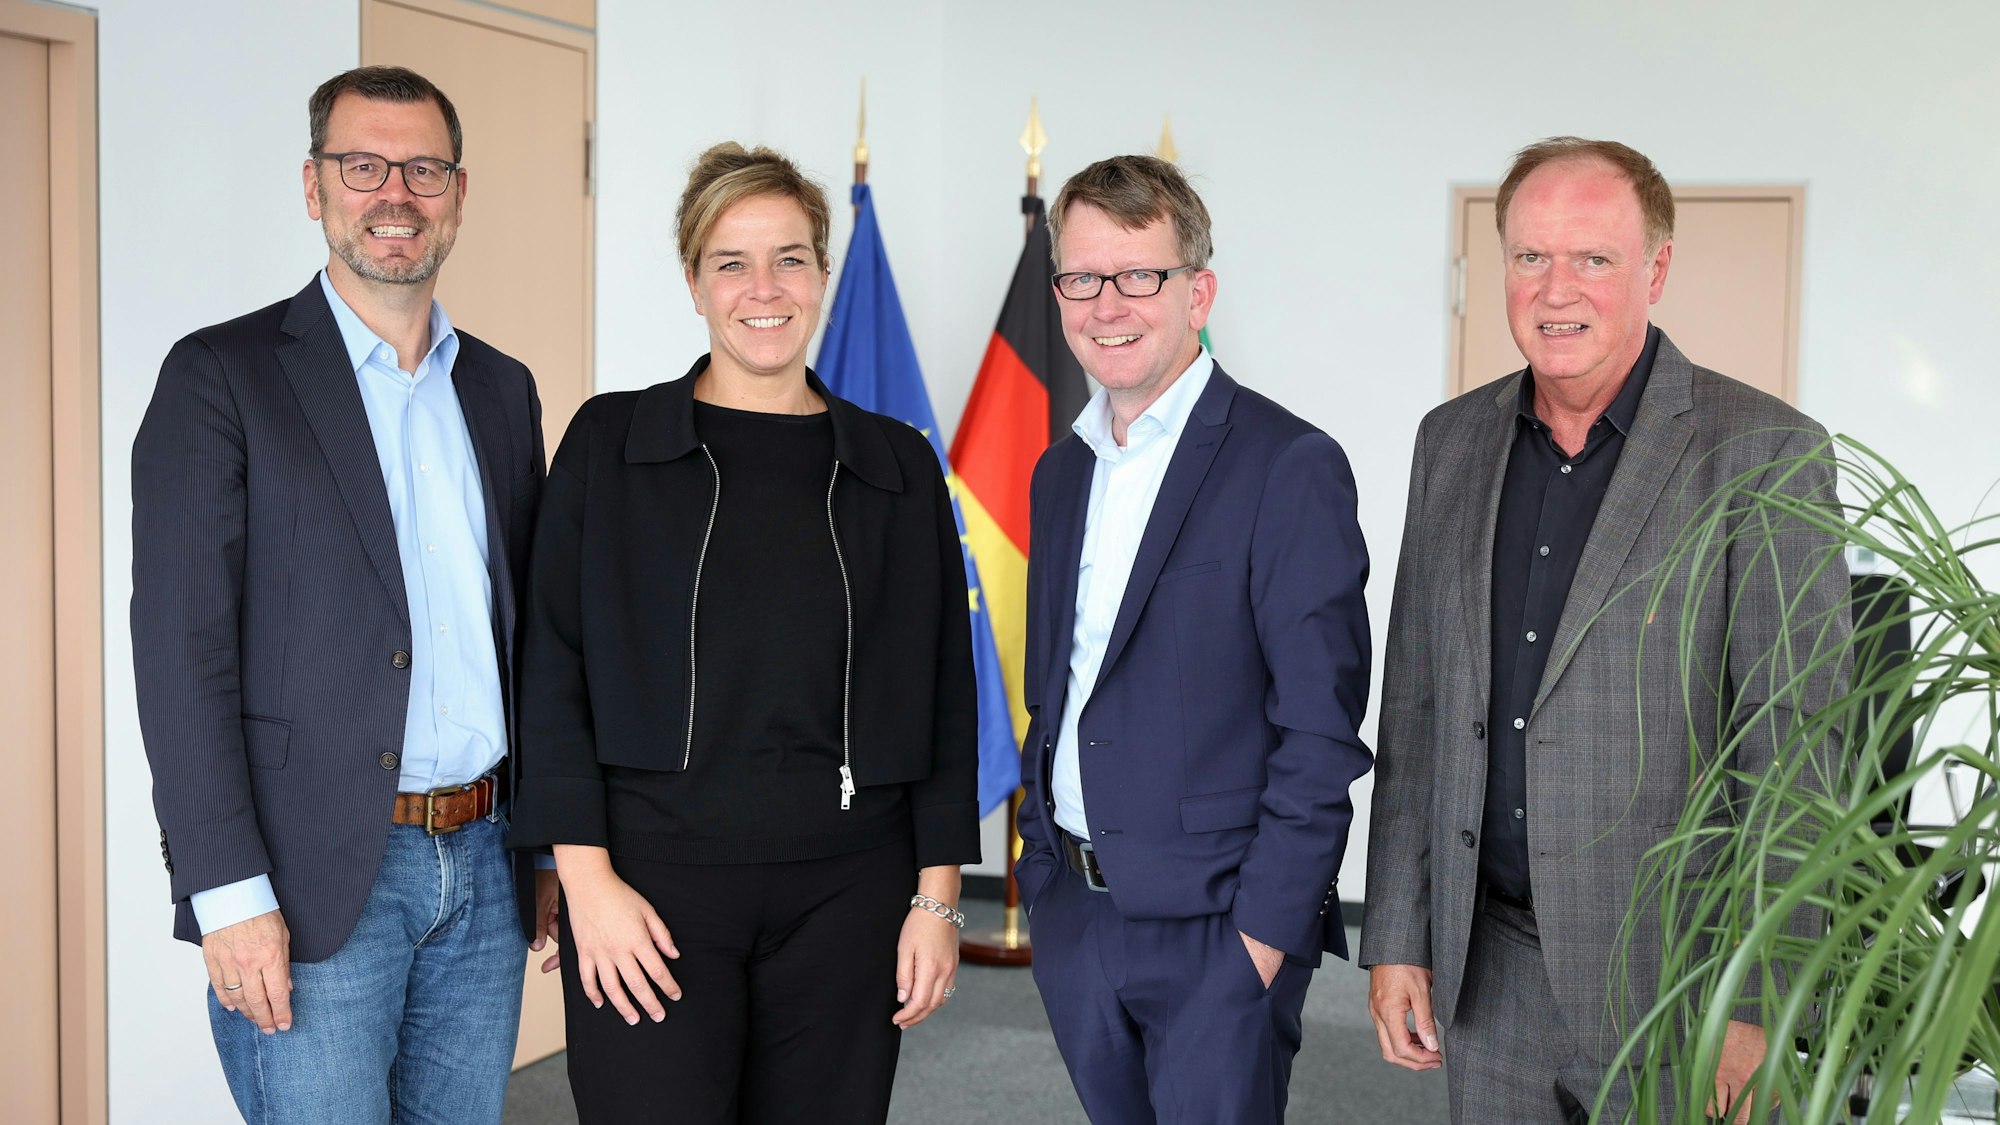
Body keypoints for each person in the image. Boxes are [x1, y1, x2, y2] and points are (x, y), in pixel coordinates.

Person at [1361, 137, 1848, 1123]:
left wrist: (1755, 998)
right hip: (1485, 968)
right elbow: (1415, 707)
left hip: (1674, 982)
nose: (1555, 288)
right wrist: (1396, 936)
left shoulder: (1760, 452)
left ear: (1654, 271)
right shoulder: (1447, 442)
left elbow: (1797, 749)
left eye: (1593, 258)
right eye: (1530, 256)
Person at [507, 142, 979, 1124]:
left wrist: (936, 898)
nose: (763, 289)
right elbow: (551, 669)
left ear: (821, 275)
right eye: (731, 262)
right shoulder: (612, 445)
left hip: (850, 893)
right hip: (650, 890)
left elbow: (942, 688)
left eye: (790, 259)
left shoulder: (893, 465)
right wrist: (582, 877)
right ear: (692, 282)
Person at [132, 66, 554, 1122]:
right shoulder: (220, 376)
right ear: (313, 187)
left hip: (487, 866)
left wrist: (544, 840)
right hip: (310, 880)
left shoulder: (501, 391)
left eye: (422, 168)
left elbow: (531, 642)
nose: (393, 193)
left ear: (457, 192)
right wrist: (227, 895)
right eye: (362, 165)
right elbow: (180, 653)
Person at [1013, 154, 1373, 1123]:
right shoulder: (1060, 472)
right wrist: (1041, 875)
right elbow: (1059, 689)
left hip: (1219, 929)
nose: (1108, 303)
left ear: (1196, 290)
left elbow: (1319, 724)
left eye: (1140, 274)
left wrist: (1261, 934)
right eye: (1082, 277)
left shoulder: (1284, 463)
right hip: (1079, 915)